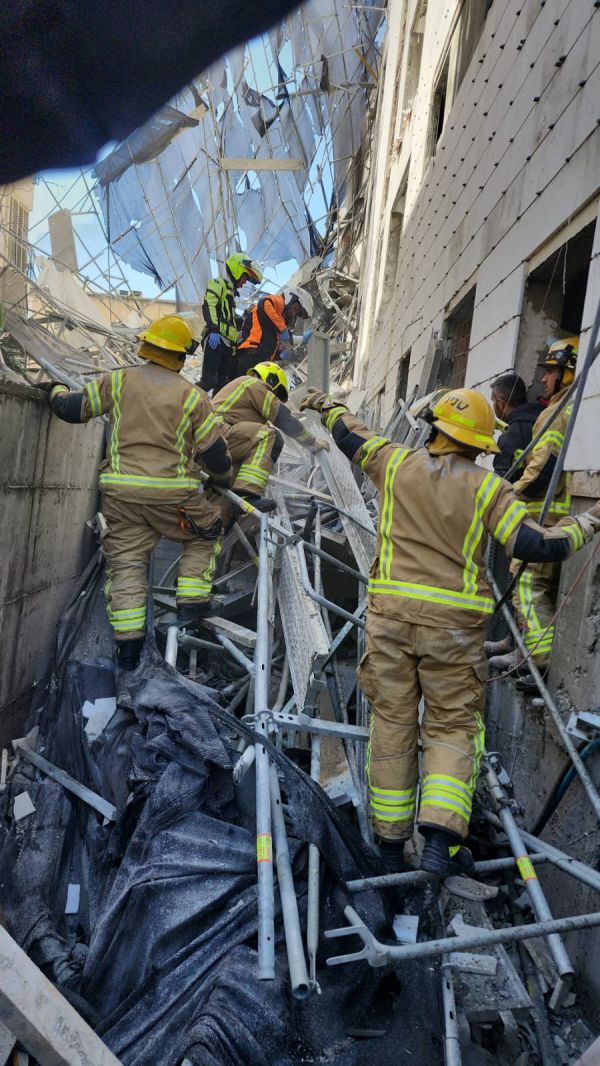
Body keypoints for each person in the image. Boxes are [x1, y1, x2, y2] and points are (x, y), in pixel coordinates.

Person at [299, 385, 600, 874]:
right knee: (452, 727)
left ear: (435, 428)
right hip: (455, 633)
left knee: (392, 726)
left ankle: (391, 847)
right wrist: (588, 521)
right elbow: (536, 545)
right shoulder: (488, 489)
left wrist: (328, 405)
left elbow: (350, 438)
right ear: (481, 443)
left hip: (390, 625)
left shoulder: (394, 464)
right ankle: (440, 840)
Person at [48, 315, 233, 671]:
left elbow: (71, 410)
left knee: (127, 565)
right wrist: (223, 479)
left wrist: (54, 390)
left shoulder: (117, 382)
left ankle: (129, 651)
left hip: (121, 499)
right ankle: (192, 603)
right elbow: (216, 456)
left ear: (146, 345)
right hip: (174, 500)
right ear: (182, 356)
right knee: (206, 531)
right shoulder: (192, 396)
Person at [488, 338, 579, 679]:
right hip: (553, 515)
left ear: (567, 374)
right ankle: (520, 647)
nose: (543, 379)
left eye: (551, 371)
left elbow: (541, 471)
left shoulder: (555, 415)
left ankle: (533, 660)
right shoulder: (564, 410)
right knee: (530, 588)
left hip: (543, 515)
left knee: (527, 585)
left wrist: (506, 497)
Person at [212, 361, 329, 517]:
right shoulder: (253, 384)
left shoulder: (242, 398)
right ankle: (246, 495)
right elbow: (283, 418)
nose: (276, 399)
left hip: (216, 443)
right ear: (271, 380)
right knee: (269, 437)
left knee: (223, 506)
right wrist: (313, 443)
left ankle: (225, 516)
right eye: (277, 394)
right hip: (219, 433)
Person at [199, 253, 263, 394]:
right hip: (216, 340)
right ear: (237, 270)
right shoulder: (217, 284)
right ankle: (184, 403)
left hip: (227, 345)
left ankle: (214, 413)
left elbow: (231, 320)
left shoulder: (230, 294)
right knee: (209, 381)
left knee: (223, 387)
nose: (245, 282)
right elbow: (209, 304)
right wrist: (213, 329)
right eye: (245, 277)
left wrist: (247, 317)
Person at [236, 286, 313, 374]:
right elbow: (265, 303)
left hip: (260, 358)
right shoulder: (278, 301)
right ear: (291, 297)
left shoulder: (278, 319)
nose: (293, 313)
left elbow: (277, 341)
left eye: (296, 313)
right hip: (251, 352)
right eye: (295, 308)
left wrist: (280, 354)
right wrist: (283, 329)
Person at [490, 373, 543, 481]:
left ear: (501, 403)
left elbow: (500, 485)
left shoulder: (509, 437)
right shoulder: (542, 417)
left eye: (493, 401)